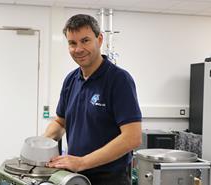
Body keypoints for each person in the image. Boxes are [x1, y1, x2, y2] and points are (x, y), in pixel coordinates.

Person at [43, 14, 142, 185]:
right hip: (75, 177)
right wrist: (40, 145)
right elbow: (60, 122)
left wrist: (82, 162)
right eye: (72, 43)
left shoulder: (119, 80)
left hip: (109, 179)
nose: (78, 49)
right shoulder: (71, 80)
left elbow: (132, 138)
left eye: (85, 40)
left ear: (100, 39)